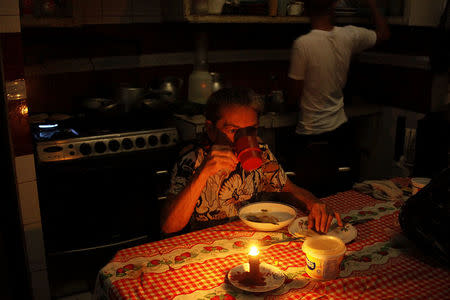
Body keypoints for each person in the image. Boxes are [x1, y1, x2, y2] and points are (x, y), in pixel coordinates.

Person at [161, 87, 342, 235]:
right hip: (208, 245)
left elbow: (287, 189)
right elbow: (169, 226)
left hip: (254, 238)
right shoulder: (192, 159)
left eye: (251, 130)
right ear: (211, 129)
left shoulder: (260, 151)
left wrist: (313, 203)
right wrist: (202, 173)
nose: (245, 139)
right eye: (234, 131)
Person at [287, 0, 390, 195]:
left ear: (306, 10)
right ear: (333, 7)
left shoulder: (303, 44)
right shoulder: (349, 35)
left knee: (308, 193)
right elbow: (384, 34)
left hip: (310, 131)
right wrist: (373, 5)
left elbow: (294, 94)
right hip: (339, 129)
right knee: (338, 191)